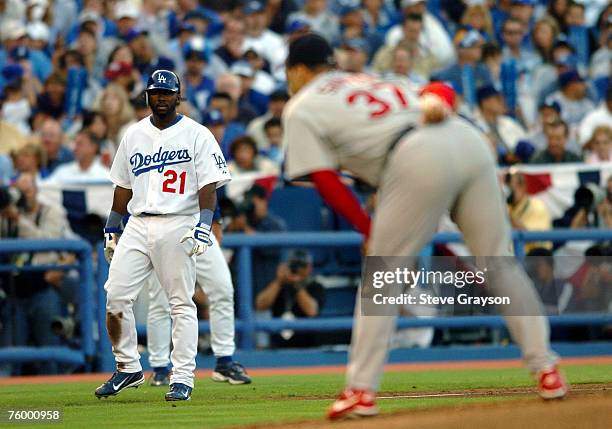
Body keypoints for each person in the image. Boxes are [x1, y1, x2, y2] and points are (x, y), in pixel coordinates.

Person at [282, 34, 567, 420]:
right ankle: (547, 370)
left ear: (298, 70)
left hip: (413, 154)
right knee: (499, 264)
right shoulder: (367, 78)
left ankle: (361, 390)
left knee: (381, 279)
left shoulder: (301, 106)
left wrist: (367, 228)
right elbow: (442, 92)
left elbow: (324, 178)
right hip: (466, 138)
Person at [95, 70, 230, 402]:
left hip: (178, 220)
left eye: (167, 93)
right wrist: (113, 224)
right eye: (156, 92)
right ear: (147, 96)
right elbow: (123, 184)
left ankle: (182, 377)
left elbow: (208, 183)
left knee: (180, 302)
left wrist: (205, 222)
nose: (161, 97)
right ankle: (128, 366)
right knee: (115, 296)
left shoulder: (197, 134)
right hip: (138, 224)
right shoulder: (133, 134)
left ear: (178, 96)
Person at [145, 205, 252, 386]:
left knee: (222, 289)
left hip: (197, 222)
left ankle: (224, 362)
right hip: (160, 225)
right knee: (161, 301)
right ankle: (160, 368)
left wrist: (215, 219)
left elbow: (207, 182)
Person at [255, 249, 325, 348]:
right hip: (278, 347)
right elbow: (260, 305)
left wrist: (296, 284)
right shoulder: (279, 285)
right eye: (295, 265)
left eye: (302, 265)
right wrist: (279, 281)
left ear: (309, 268)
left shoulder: (316, 287)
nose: (298, 269)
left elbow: (312, 311)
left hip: (307, 347)